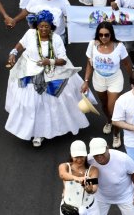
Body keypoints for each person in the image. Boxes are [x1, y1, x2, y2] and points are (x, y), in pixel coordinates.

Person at [5, 10, 90, 147]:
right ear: (37, 26)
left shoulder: (56, 39)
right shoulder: (30, 34)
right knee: (33, 104)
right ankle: (36, 133)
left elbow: (62, 60)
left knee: (52, 103)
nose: (44, 29)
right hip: (30, 70)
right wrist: (14, 52)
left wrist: (49, 62)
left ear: (51, 26)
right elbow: (21, 43)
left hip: (51, 71)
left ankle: (48, 130)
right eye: (41, 26)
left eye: (47, 26)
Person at [82, 21, 132, 149]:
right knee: (104, 105)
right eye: (101, 35)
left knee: (113, 109)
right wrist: (86, 81)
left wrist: (133, 80)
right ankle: (109, 121)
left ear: (111, 34)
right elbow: (89, 64)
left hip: (114, 79)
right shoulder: (92, 45)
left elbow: (127, 64)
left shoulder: (119, 46)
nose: (103, 38)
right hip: (98, 79)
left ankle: (116, 134)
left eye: (106, 35)